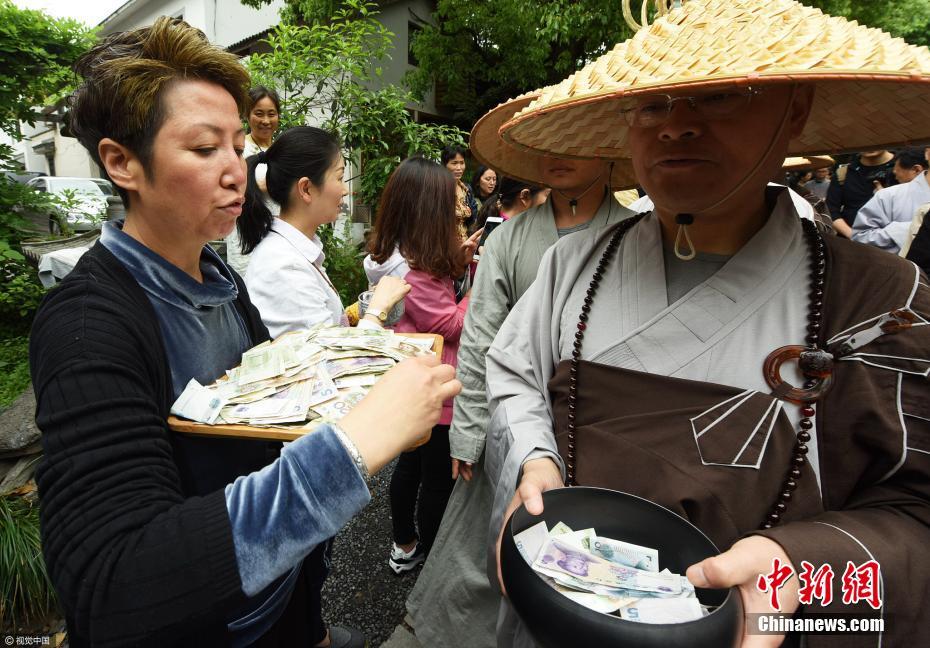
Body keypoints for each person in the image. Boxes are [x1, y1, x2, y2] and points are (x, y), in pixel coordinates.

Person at [485, 1, 930, 647]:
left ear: (794, 106)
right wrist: (534, 460)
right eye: (651, 104)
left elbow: (916, 517)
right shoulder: (572, 265)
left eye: (720, 96)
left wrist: (801, 568)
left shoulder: (879, 303)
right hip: (565, 613)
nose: (676, 127)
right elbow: (514, 376)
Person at [29, 18, 461, 647]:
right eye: (206, 149)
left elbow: (264, 438)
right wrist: (355, 441)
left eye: (238, 145)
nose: (237, 169)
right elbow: (112, 581)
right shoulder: (87, 324)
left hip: (279, 607)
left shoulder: (220, 280)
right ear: (122, 163)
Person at [404, 93, 634, 648]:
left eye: (577, 140)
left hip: (604, 424)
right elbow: (481, 337)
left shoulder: (635, 236)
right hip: (514, 417)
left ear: (608, 153)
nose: (559, 153)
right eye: (550, 140)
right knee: (487, 552)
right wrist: (469, 426)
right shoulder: (509, 238)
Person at [366, 157, 481, 573]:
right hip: (434, 390)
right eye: (451, 201)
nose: (460, 208)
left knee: (410, 467)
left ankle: (405, 544)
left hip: (414, 382)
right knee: (435, 481)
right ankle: (432, 565)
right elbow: (450, 323)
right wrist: (481, 288)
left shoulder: (403, 254)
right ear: (427, 209)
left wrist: (462, 261)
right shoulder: (408, 268)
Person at [238, 126, 408, 335]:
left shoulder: (295, 250)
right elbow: (328, 361)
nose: (345, 190)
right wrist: (377, 310)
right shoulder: (285, 267)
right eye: (339, 177)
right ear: (306, 189)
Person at [225, 86, 281, 276]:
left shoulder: (282, 151)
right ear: (247, 115)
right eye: (259, 114)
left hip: (278, 230)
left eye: (271, 114)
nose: (266, 121)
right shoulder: (238, 149)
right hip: (245, 230)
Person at [852, 147, 930, 253]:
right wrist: (912, 229)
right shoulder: (887, 196)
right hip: (901, 268)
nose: (896, 176)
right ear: (928, 153)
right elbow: (860, 238)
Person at [826, 149, 897, 237]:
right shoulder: (844, 172)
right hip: (851, 243)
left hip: (895, 241)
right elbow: (831, 210)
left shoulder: (905, 165)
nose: (869, 145)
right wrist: (853, 236)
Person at [441, 145, 479, 235]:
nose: (459, 168)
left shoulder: (466, 189)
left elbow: (473, 218)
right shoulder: (438, 188)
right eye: (454, 163)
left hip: (466, 241)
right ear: (444, 165)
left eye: (462, 163)